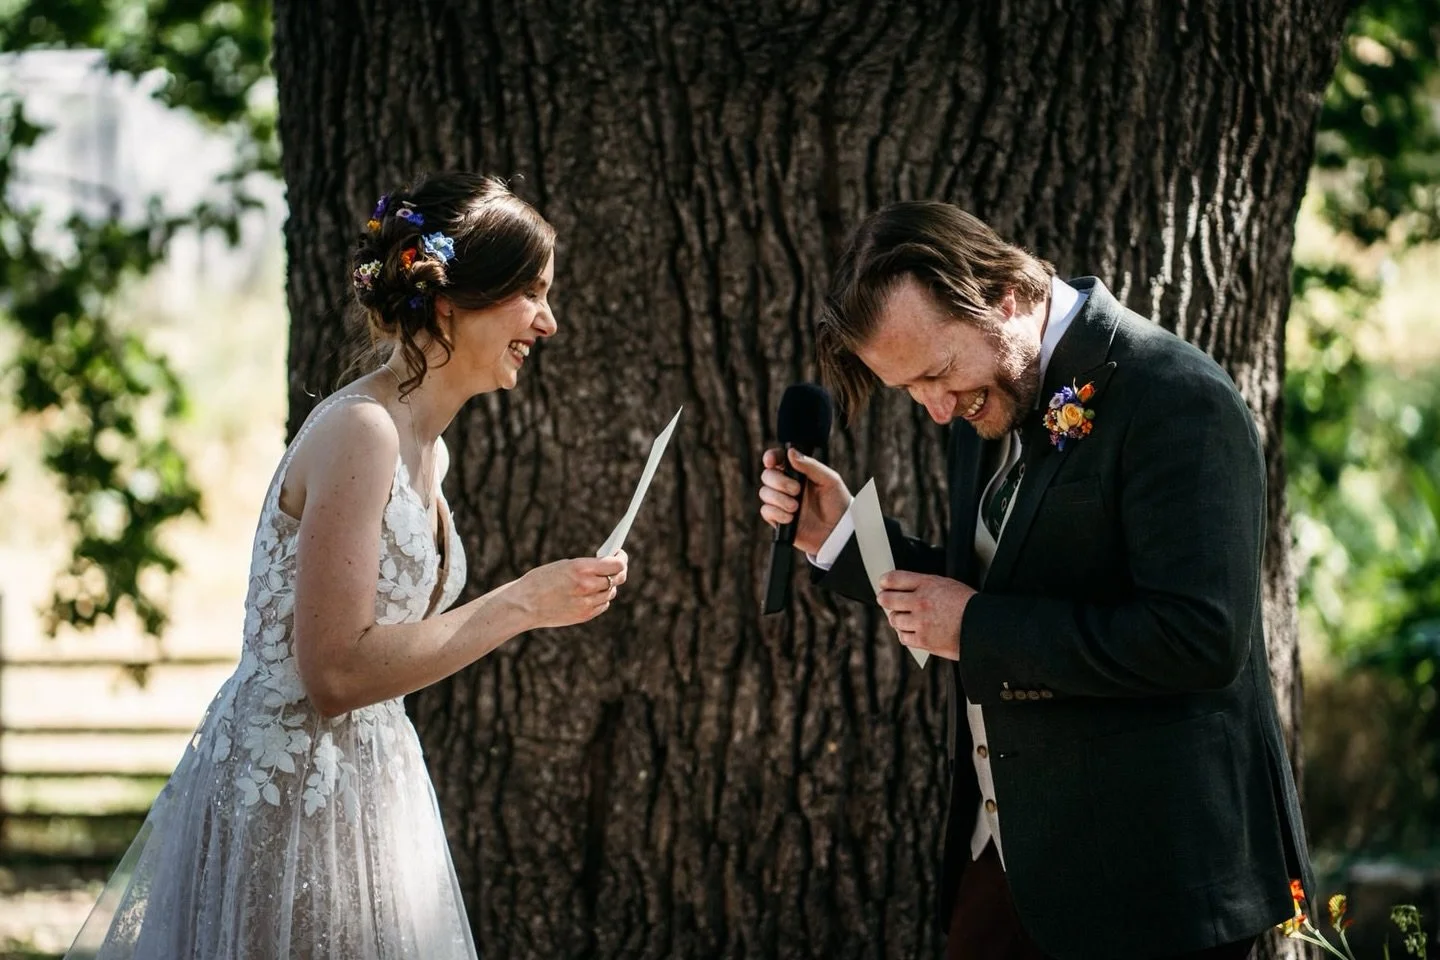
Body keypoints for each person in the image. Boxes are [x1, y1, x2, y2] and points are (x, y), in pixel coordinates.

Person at [64, 173, 628, 960]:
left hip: (372, 787)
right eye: (530, 294)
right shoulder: (362, 431)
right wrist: (521, 604)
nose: (549, 321)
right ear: (450, 299)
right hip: (290, 798)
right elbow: (332, 672)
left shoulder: (430, 449)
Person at [757, 201, 1313, 960]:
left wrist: (978, 630)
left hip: (1152, 883)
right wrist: (841, 538)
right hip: (1010, 864)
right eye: (910, 390)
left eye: (938, 372)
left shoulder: (1176, 397)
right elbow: (990, 582)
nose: (937, 408)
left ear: (1002, 296)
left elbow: (1199, 638)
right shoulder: (987, 396)